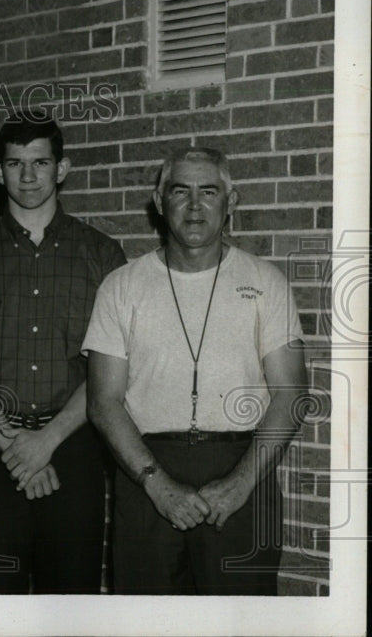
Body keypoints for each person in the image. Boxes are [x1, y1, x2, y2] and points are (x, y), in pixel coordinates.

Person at [83, 148, 309, 595]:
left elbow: (290, 396)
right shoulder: (122, 286)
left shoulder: (266, 283)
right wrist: (158, 486)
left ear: (231, 201)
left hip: (244, 469)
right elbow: (103, 402)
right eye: (179, 191)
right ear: (158, 200)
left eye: (209, 191)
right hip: (145, 473)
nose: (194, 205)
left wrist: (240, 485)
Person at [0, 113, 126, 594]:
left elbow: (113, 369)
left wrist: (46, 441)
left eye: (40, 162)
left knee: (70, 605)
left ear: (62, 168)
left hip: (73, 446)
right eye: (15, 163)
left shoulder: (103, 255)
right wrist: (15, 445)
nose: (27, 176)